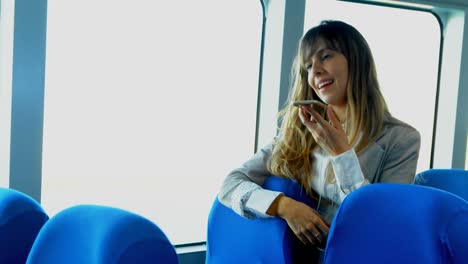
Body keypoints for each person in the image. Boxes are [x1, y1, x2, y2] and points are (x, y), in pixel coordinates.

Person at [218, 20, 421, 251]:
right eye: (308, 66)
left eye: (325, 57)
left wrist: (342, 154)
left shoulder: (402, 139)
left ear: (356, 60)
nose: (315, 71)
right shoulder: (298, 133)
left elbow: (379, 222)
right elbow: (230, 184)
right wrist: (284, 206)